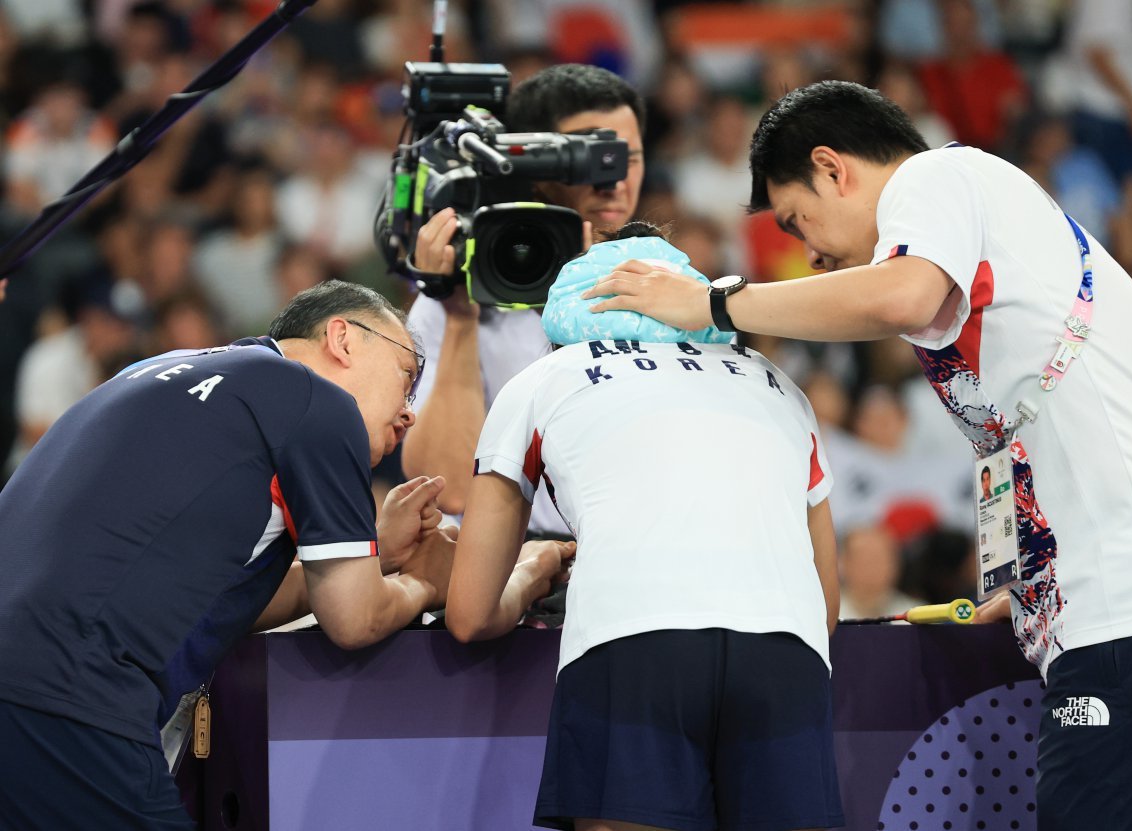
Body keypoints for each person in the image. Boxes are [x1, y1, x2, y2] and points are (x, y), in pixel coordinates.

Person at [583, 80, 1132, 829]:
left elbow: (900, 296)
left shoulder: (936, 176)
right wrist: (1037, 571)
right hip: (1127, 598)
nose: (809, 254)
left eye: (797, 220)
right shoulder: (979, 215)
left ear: (834, 167)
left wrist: (714, 302)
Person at [0, 280, 461, 828]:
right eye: (408, 377)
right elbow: (355, 618)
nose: (409, 413)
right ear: (342, 339)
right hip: (73, 696)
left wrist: (377, 555)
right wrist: (427, 582)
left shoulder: (156, 370)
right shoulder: (318, 400)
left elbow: (205, 598)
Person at [446, 224, 843, 831]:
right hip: (785, 654)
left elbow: (471, 614)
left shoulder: (541, 380)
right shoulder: (776, 381)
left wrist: (534, 572)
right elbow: (826, 604)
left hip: (629, 643)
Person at [401, 63, 645, 533]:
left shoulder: (665, 284)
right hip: (507, 574)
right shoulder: (460, 294)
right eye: (587, 156)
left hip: (625, 557)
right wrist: (458, 320)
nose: (611, 180)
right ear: (529, 161)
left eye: (625, 157)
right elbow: (449, 487)